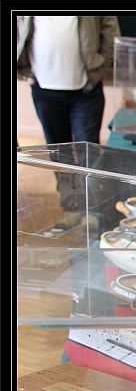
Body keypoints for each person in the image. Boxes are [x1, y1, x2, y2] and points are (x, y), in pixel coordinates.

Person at [16, 15, 120, 230]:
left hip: (86, 90)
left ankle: (93, 212)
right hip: (44, 90)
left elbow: (110, 28)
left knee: (88, 153)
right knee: (59, 154)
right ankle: (72, 209)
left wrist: (101, 69)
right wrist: (23, 67)